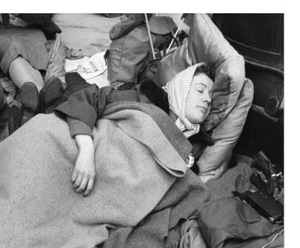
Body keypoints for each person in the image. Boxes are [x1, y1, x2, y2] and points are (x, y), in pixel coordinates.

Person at [54, 62, 214, 196]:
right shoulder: (145, 98)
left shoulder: (194, 145)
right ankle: (55, 91)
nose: (207, 99)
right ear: (182, 90)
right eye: (200, 90)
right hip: (88, 148)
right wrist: (86, 150)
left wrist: (181, 148)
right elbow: (91, 99)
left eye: (211, 96)